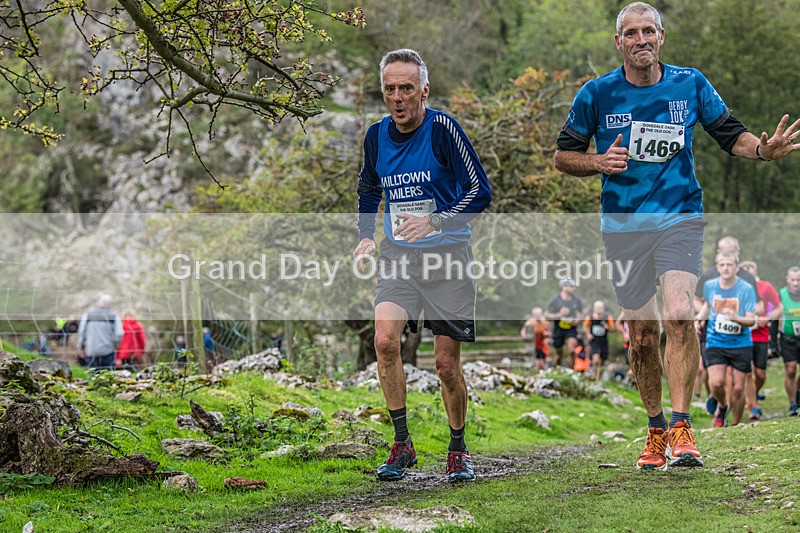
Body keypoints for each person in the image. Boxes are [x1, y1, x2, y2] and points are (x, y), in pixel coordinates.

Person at [553, 1, 800, 470]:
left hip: (680, 218)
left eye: (649, 31)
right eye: (632, 33)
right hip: (623, 227)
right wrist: (598, 162)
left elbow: (730, 134)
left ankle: (684, 424)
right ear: (619, 42)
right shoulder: (596, 93)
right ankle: (655, 429)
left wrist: (764, 151)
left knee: (681, 314)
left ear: (661, 37)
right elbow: (564, 156)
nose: (641, 40)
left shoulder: (690, 83)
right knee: (643, 334)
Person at [353, 49, 492, 482]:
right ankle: (402, 443)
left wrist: (435, 220)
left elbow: (480, 191)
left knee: (446, 367)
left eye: (406, 88)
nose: (397, 97)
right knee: (384, 341)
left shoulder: (443, 129)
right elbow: (368, 189)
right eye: (390, 89)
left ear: (424, 90)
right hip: (397, 258)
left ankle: (457, 448)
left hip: (447, 257)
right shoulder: (376, 136)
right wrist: (363, 237)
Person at [694, 236, 762, 417]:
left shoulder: (746, 286)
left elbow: (752, 317)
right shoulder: (709, 283)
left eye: (730, 264)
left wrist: (736, 318)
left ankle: (736, 424)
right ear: (717, 265)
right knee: (717, 382)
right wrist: (699, 319)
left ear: (736, 265)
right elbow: (706, 305)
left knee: (739, 388)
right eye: (722, 264)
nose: (726, 267)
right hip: (716, 339)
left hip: (740, 342)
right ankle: (722, 406)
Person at [739, 260, 782, 420]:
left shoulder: (765, 286)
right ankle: (753, 405)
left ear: (756, 271)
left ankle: (752, 396)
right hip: (744, 335)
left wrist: (768, 318)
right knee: (748, 372)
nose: (748, 271)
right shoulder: (736, 288)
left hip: (761, 335)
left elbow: (779, 307)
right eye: (745, 269)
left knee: (761, 374)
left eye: (751, 268)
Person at [545, 278, 584, 369]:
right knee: (559, 354)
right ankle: (558, 371)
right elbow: (547, 315)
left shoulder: (576, 300)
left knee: (572, 350)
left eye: (572, 286)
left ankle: (571, 373)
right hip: (558, 329)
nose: (570, 288)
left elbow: (581, 313)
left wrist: (578, 319)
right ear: (563, 287)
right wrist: (559, 314)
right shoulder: (555, 300)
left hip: (571, 329)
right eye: (568, 286)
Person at [77, 294, 123, 370]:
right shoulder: (114, 316)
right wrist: (115, 345)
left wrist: (81, 346)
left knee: (93, 376)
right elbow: (119, 333)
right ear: (109, 304)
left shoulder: (88, 315)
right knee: (108, 377)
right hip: (108, 351)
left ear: (98, 303)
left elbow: (82, 331)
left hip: (92, 351)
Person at [778, 267, 800, 416]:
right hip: (788, 339)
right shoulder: (781, 294)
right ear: (787, 279)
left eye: (798, 280)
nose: (796, 283)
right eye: (793, 280)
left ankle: (797, 395)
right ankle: (792, 403)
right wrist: (773, 342)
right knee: (791, 369)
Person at [584, 300, 615, 381]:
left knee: (602, 361)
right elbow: (585, 326)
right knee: (596, 360)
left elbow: (613, 328)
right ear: (594, 308)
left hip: (603, 341)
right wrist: (588, 334)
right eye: (598, 307)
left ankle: (599, 378)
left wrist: (607, 327)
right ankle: (594, 376)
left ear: (603, 308)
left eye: (601, 307)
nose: (599, 309)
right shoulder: (590, 317)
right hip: (594, 340)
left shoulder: (608, 317)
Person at [521, 307, 551, 372]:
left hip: (542, 345)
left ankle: (541, 373)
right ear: (533, 315)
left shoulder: (545, 322)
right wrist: (526, 338)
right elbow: (523, 332)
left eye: (539, 314)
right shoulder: (529, 323)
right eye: (536, 314)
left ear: (541, 314)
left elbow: (549, 333)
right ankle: (536, 372)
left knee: (542, 363)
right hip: (533, 345)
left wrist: (547, 336)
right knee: (536, 362)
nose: (537, 316)